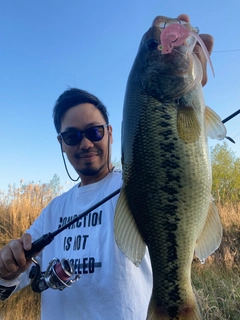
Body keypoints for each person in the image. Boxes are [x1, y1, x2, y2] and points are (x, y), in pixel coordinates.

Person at [0, 14, 214, 320]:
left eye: (95, 131)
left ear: (111, 133)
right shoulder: (52, 212)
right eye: (72, 136)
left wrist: (195, 82)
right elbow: (5, 289)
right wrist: (7, 271)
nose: (85, 143)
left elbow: (181, 165)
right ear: (61, 143)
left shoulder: (131, 184)